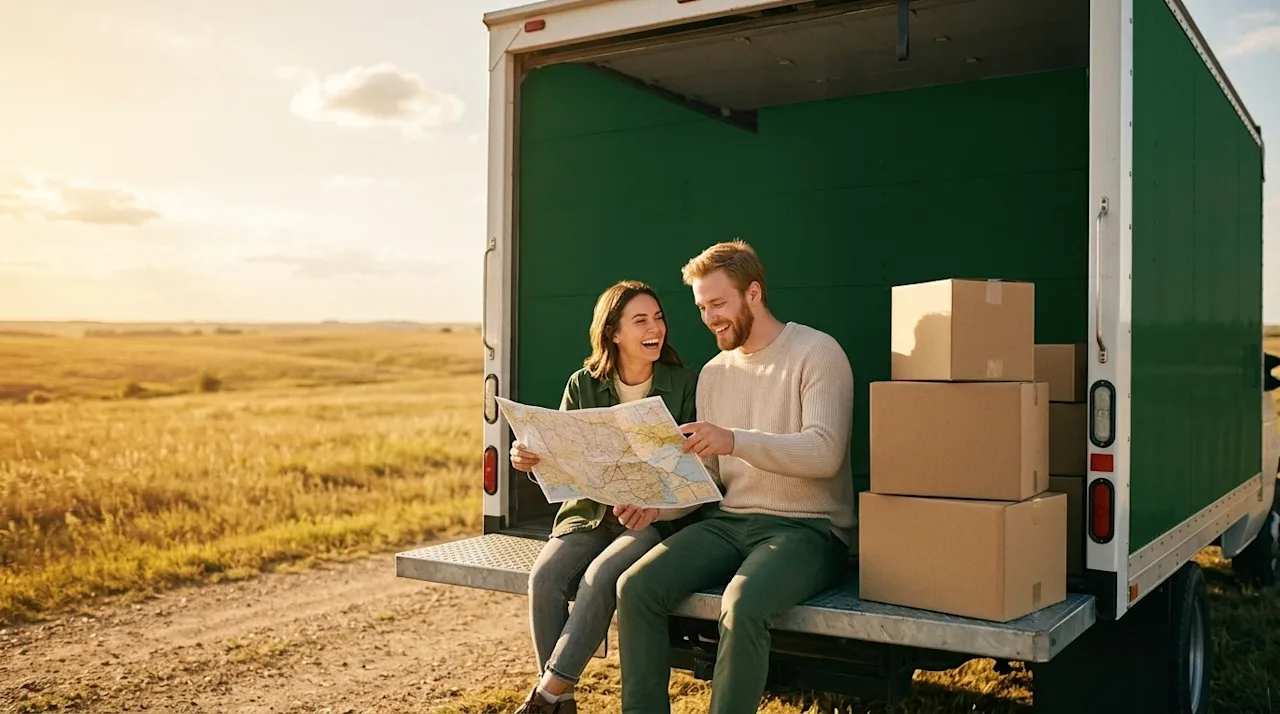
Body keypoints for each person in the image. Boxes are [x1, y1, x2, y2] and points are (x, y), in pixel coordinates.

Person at [616, 240, 856, 714]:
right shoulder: (713, 373)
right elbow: (704, 478)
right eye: (702, 307)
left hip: (809, 530)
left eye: (719, 304)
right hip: (730, 523)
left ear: (753, 293)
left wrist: (735, 440)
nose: (710, 318)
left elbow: (825, 454)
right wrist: (657, 507)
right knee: (635, 588)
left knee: (742, 603)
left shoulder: (817, 352)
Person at [508, 280, 701, 714]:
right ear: (613, 333)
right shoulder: (583, 385)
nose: (655, 328)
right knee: (544, 578)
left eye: (658, 318)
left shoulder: (686, 384)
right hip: (590, 513)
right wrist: (531, 460)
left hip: (655, 517)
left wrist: (655, 506)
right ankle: (563, 700)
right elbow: (561, 466)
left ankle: (545, 697)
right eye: (640, 321)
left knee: (601, 576)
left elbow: (693, 476)